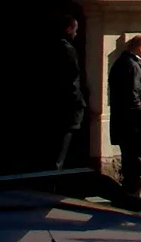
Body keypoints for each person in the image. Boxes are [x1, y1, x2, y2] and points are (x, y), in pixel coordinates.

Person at [108, 36, 141, 196]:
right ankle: (130, 199)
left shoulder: (127, 63)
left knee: (131, 165)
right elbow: (133, 98)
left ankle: (126, 198)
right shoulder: (131, 66)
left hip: (126, 124)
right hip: (134, 125)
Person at [51, 16, 88, 169]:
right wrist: (80, 101)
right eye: (75, 30)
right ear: (68, 29)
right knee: (62, 147)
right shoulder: (67, 50)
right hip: (67, 107)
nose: (76, 34)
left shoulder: (56, 47)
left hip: (59, 104)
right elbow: (73, 79)